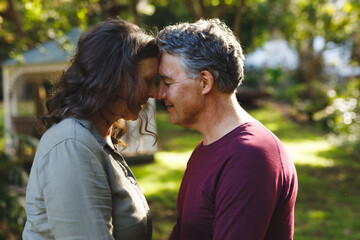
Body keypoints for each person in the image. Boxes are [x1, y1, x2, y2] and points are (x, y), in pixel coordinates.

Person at [156, 18, 298, 240]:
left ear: (205, 82)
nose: (160, 94)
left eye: (167, 83)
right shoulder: (207, 148)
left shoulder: (250, 157)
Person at [22, 19, 159, 240]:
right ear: (114, 78)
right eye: (148, 80)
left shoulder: (96, 139)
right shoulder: (72, 145)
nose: (155, 92)